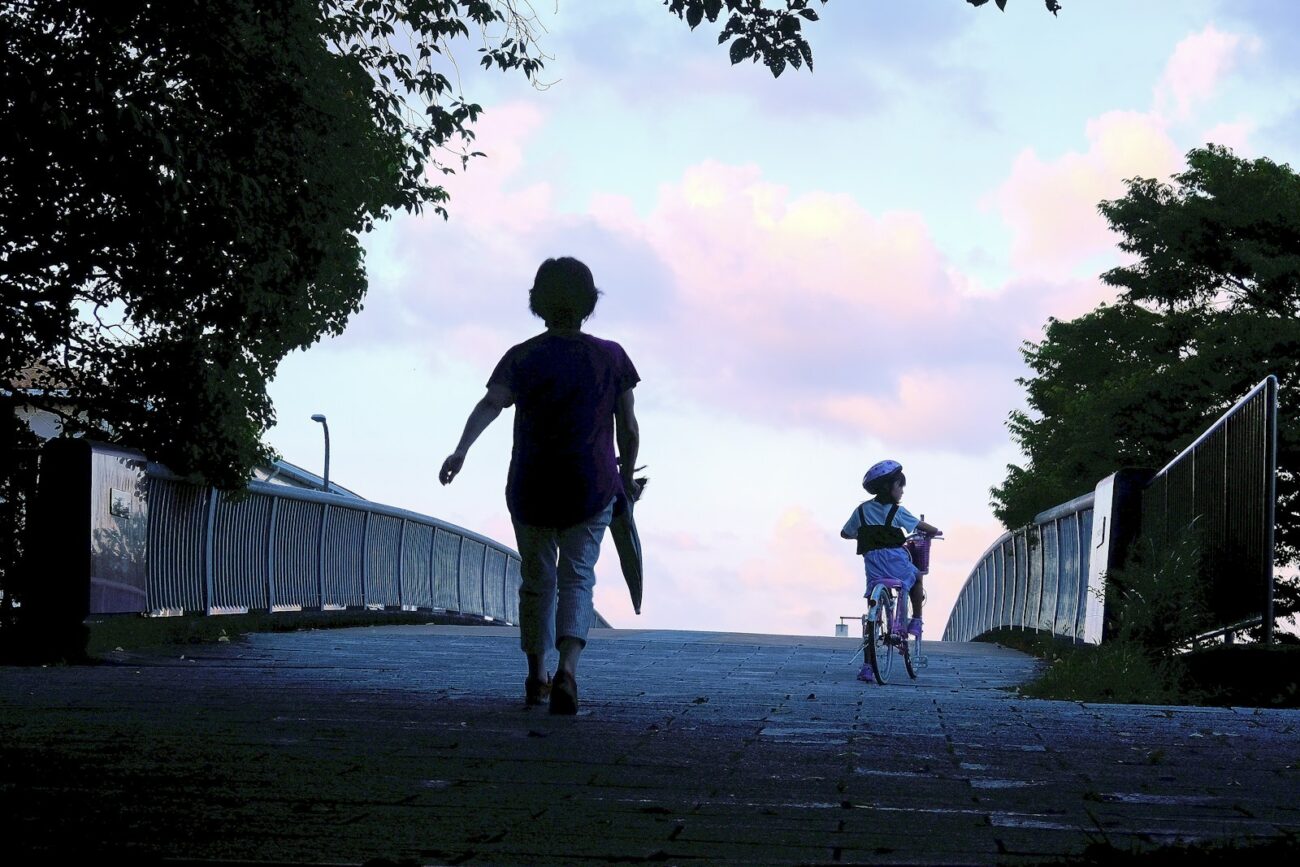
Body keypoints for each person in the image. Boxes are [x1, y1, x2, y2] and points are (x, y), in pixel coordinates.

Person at [439, 257, 640, 715]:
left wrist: (461, 450)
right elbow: (628, 429)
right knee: (577, 577)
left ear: (538, 303)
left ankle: (536, 676)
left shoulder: (522, 355)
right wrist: (624, 482)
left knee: (537, 581)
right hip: (590, 486)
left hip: (531, 486)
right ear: (588, 304)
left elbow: (492, 403)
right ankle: (568, 669)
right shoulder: (611, 357)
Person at [841, 460, 941, 679]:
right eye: (900, 486)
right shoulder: (897, 511)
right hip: (896, 560)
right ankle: (915, 619)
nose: (902, 491)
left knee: (872, 610)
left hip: (873, 565)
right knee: (916, 576)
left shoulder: (861, 511)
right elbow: (921, 526)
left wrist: (863, 533)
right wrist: (935, 530)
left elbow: (845, 533)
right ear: (889, 487)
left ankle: (868, 666)